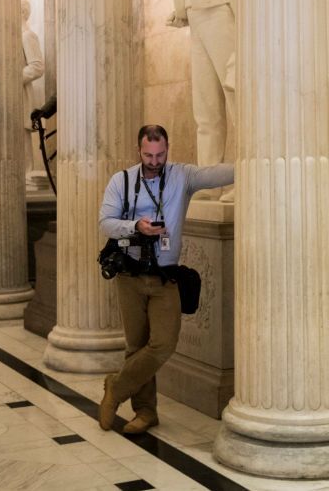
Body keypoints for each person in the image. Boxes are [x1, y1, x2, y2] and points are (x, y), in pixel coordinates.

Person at [98, 125, 234, 434]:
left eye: (160, 154)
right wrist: (136, 226)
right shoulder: (122, 181)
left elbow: (218, 173)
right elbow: (105, 223)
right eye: (149, 155)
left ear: (168, 149)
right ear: (139, 151)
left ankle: (115, 388)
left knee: (163, 343)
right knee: (136, 346)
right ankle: (146, 412)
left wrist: (254, 162)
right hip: (130, 274)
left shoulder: (182, 176)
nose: (155, 160)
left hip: (164, 276)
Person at [167, 0, 236, 201]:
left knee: (237, 99)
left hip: (224, 13)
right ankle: (210, 181)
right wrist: (183, 7)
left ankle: (243, 178)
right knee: (206, 110)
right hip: (199, 18)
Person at [20, 0, 45, 186]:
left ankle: (26, 177)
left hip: (20, 95)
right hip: (12, 96)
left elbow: (37, 66)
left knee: (22, 139)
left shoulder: (27, 35)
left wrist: (12, 78)